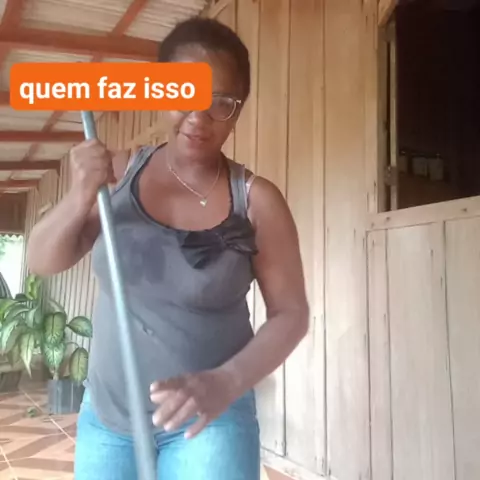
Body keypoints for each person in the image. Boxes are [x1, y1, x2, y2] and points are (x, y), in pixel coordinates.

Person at [26, 16, 309, 480]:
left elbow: (292, 315)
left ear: (238, 110)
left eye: (221, 103)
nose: (199, 117)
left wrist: (227, 382)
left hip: (210, 419)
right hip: (108, 419)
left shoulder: (257, 201)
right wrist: (78, 195)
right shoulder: (116, 174)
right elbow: (41, 259)